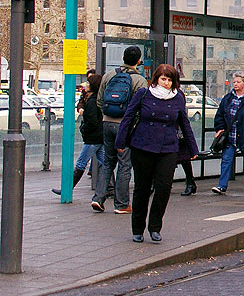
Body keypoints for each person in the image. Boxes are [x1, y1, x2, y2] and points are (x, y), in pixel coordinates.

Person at [115, 64, 198, 243]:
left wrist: (193, 148)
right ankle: (138, 228)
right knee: (142, 189)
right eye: (163, 79)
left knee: (164, 188)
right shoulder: (144, 93)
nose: (166, 83)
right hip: (143, 146)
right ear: (156, 79)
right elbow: (128, 116)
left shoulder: (178, 97)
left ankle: (155, 227)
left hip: (167, 147)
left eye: (169, 80)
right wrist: (120, 141)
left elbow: (184, 123)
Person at [92, 46, 149, 213]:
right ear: (138, 61)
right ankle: (122, 204)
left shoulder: (110, 75)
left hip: (107, 123)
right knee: (124, 164)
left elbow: (100, 100)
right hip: (125, 126)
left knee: (108, 161)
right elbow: (140, 108)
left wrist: (107, 116)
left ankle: (98, 198)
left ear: (123, 58)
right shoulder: (139, 80)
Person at [52, 74, 106, 196]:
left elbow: (91, 122)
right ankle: (109, 189)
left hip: (92, 139)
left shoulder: (92, 102)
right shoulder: (98, 99)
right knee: (105, 163)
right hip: (99, 137)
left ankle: (67, 189)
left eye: (88, 83)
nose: (85, 85)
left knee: (81, 163)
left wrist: (83, 129)